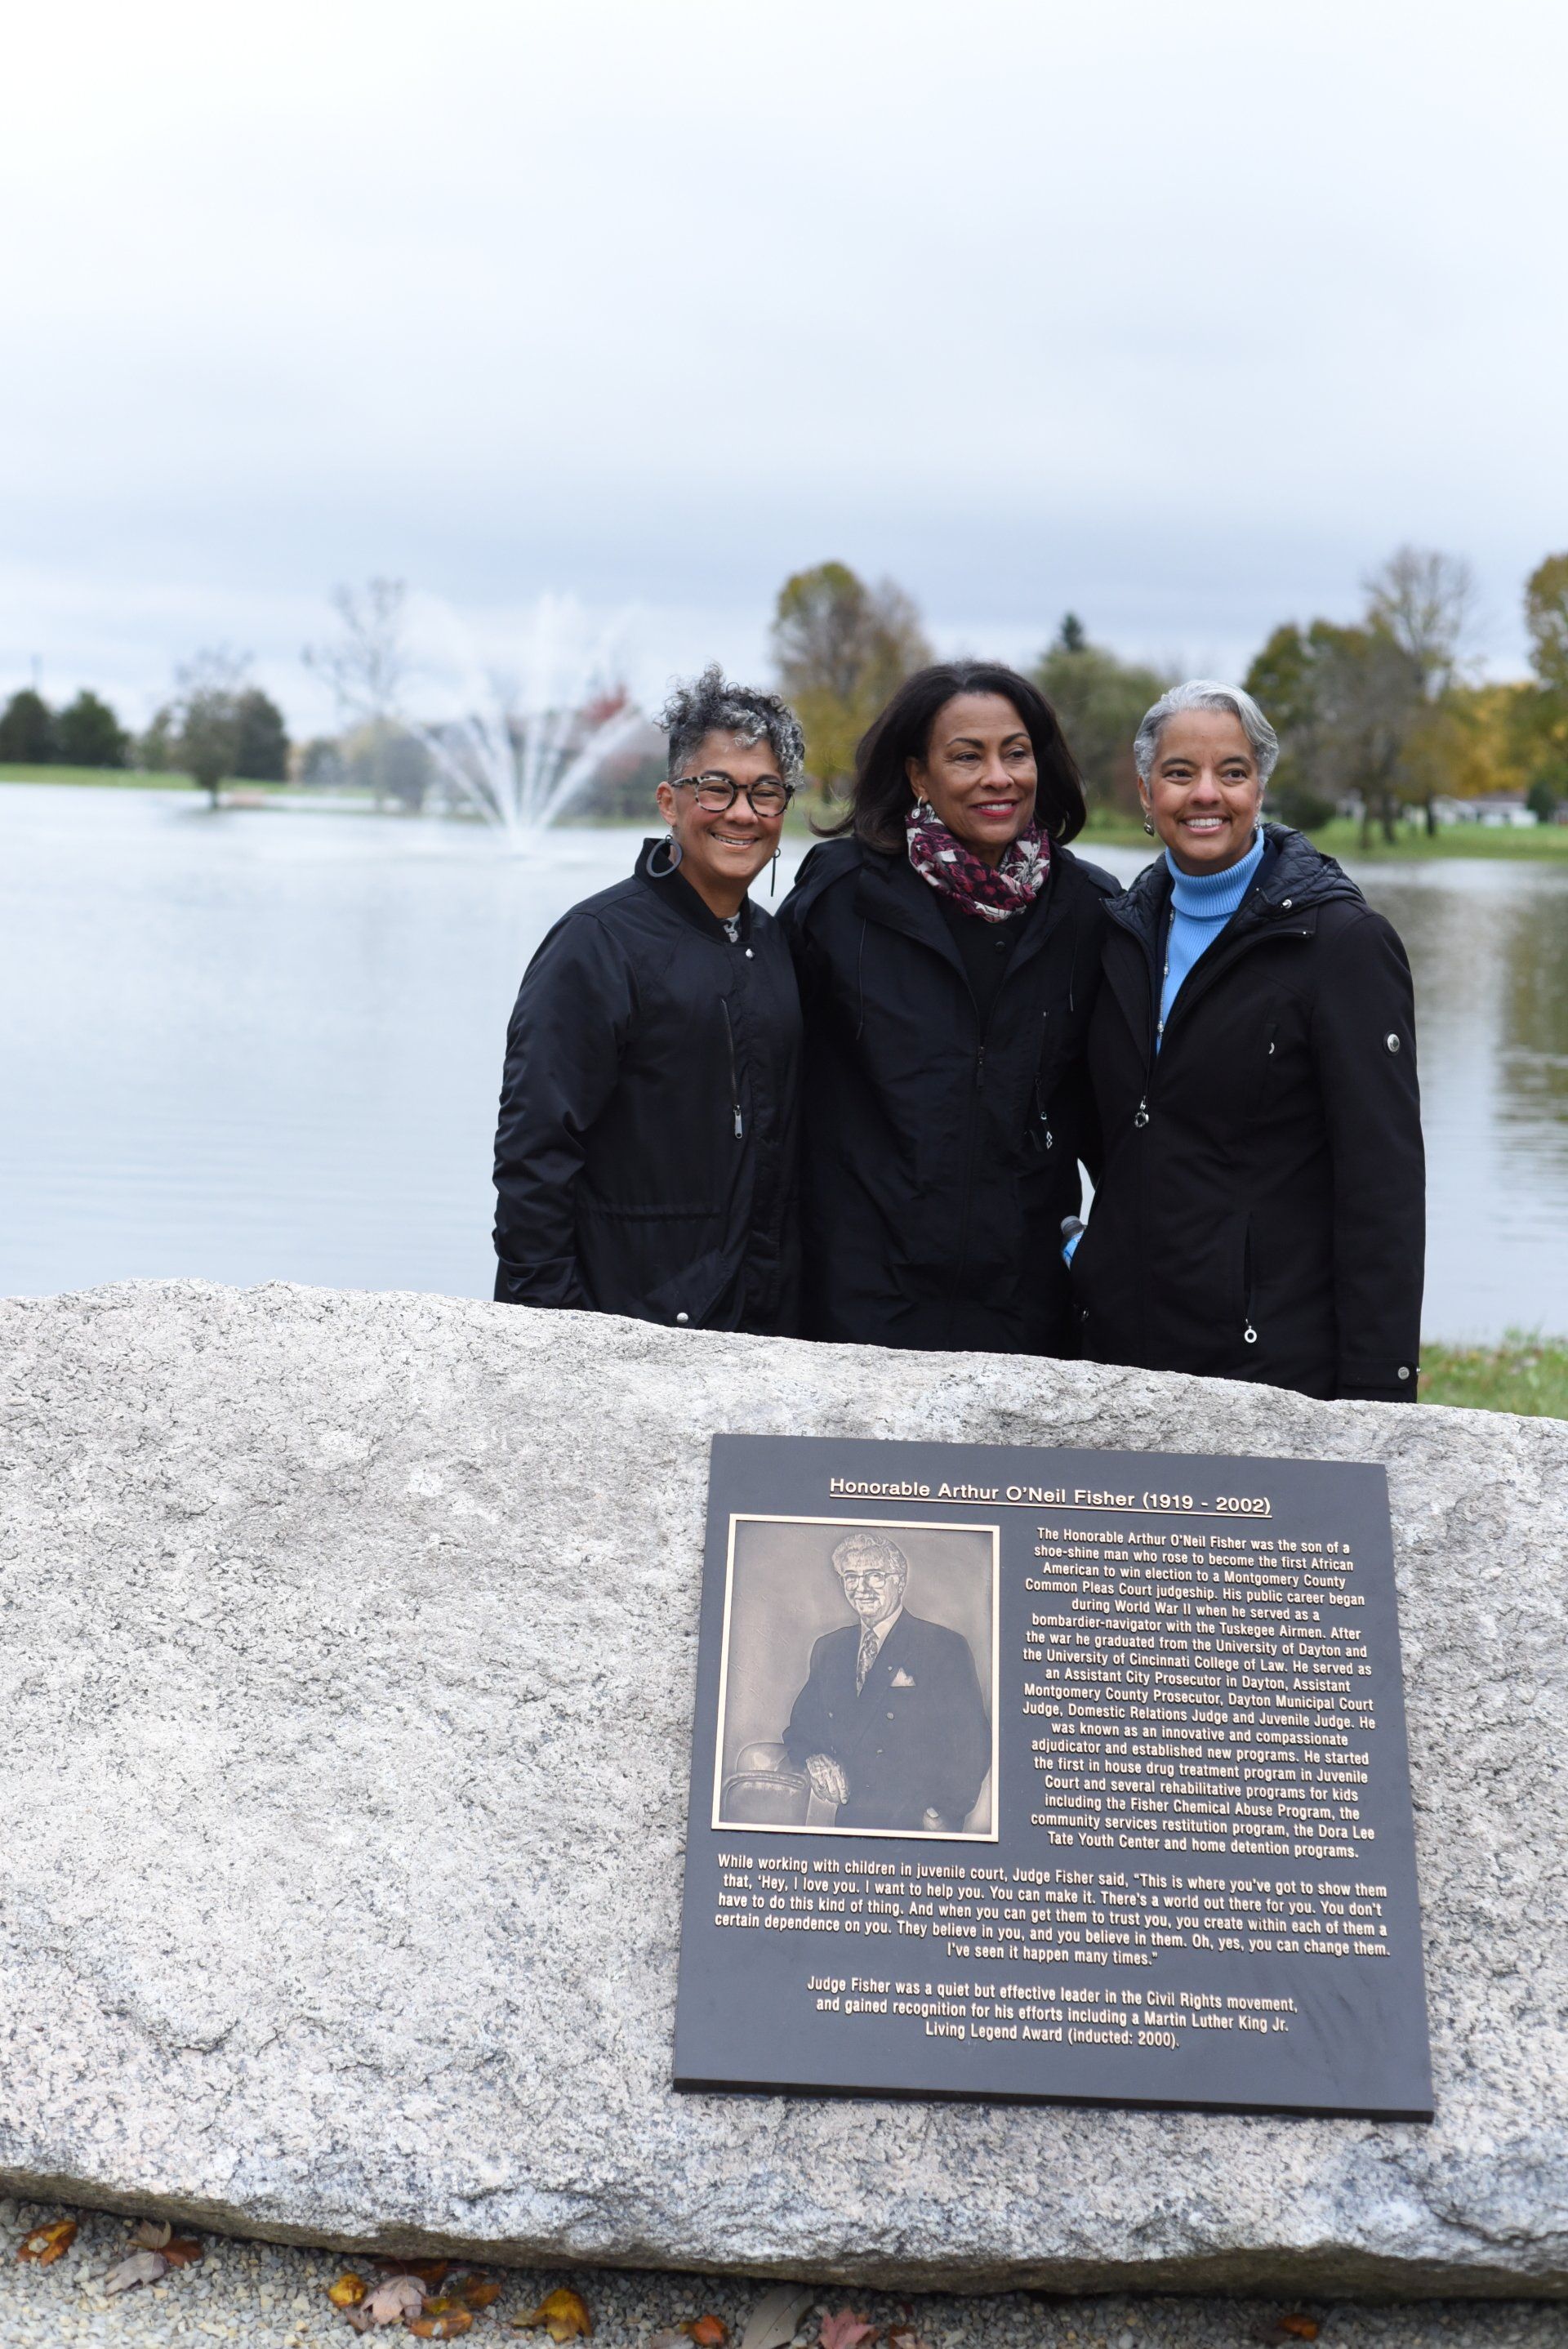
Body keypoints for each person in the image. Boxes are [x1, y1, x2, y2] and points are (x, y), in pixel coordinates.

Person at [1069, 680, 1424, 1401]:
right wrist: (1087, 1249)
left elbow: (1381, 1191)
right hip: (1116, 1351)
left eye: (1231, 772)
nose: (1206, 794)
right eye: (1179, 773)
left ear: (1260, 786)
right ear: (1144, 792)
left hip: (1270, 1369)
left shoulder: (1341, 945)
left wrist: (1377, 1403)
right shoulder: (1121, 933)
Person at [775, 662, 1118, 1353]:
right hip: (857, 1309)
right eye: (967, 756)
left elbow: (1115, 1125)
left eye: (1016, 753)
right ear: (918, 776)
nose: (999, 777)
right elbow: (773, 1085)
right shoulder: (840, 898)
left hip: (1025, 1315)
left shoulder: (1093, 912)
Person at [492, 666, 803, 1332]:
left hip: (749, 1324)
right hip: (616, 1323)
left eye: (766, 793)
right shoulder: (597, 943)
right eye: (716, 788)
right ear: (669, 801)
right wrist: (556, 1331)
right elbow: (534, 1155)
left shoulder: (775, 947)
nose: (742, 813)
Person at [782, 1531, 990, 1832]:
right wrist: (815, 1758)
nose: (861, 1588)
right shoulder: (829, 1648)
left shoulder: (942, 1646)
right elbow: (801, 1729)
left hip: (915, 1822)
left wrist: (943, 1811)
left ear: (900, 1581)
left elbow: (972, 1741)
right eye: (850, 1577)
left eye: (875, 1576)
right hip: (846, 1818)